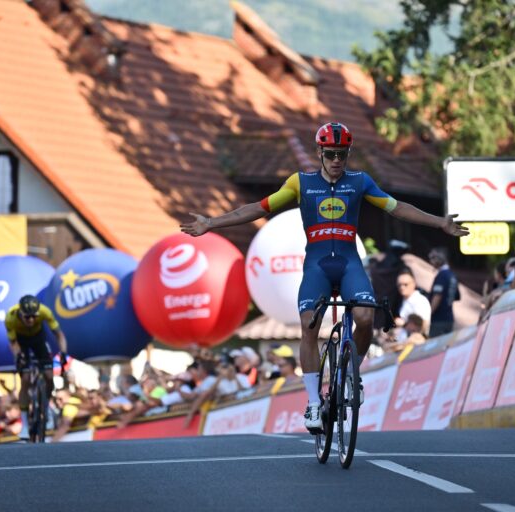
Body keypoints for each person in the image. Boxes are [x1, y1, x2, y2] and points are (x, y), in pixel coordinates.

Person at [180, 121, 468, 432]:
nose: (336, 161)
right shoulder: (300, 182)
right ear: (319, 152)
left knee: (366, 318)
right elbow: (255, 209)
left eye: (342, 155)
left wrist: (440, 222)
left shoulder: (360, 181)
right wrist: (212, 222)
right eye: (330, 154)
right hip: (317, 265)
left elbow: (397, 209)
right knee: (309, 325)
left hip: (349, 263)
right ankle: (314, 405)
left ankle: (350, 375)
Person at [4, 294, 68, 440]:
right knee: (25, 379)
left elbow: (59, 335)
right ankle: (25, 424)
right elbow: (13, 343)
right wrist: (18, 356)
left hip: (38, 339)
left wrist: (63, 353)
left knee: (49, 376)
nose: (31, 320)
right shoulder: (11, 317)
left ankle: (46, 408)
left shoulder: (45, 311)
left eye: (34, 316)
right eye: (28, 317)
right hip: (21, 341)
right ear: (21, 313)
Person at [428, 247, 460, 337]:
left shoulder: (441, 276)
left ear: (440, 258)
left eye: (433, 257)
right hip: (449, 318)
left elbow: (437, 297)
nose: (431, 261)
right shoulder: (452, 275)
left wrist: (428, 315)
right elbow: (456, 295)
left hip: (439, 320)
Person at [394, 267, 431, 336]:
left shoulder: (420, 301)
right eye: (399, 285)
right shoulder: (404, 301)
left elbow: (423, 326)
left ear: (414, 283)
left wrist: (404, 324)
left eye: (405, 284)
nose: (402, 287)